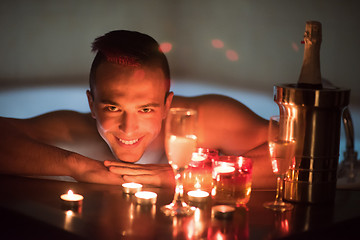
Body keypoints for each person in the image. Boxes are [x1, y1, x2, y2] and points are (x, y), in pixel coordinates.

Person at [0, 30, 275, 189]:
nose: (128, 128)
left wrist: (187, 177)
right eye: (112, 107)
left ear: (167, 105)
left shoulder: (203, 120)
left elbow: (294, 152)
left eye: (145, 109)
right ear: (91, 105)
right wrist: (79, 166)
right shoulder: (74, 131)